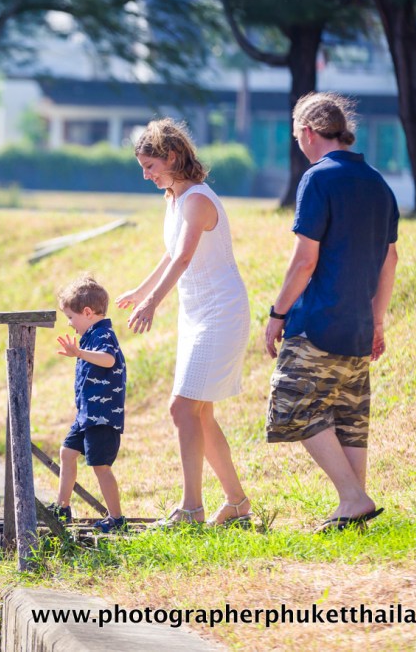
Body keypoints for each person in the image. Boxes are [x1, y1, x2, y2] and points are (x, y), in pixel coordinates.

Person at [264, 92, 399, 533]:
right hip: (359, 327)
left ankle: (354, 498)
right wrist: (377, 321)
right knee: (348, 418)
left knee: (291, 404)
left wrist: (277, 313)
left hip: (318, 322)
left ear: (307, 132)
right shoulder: (378, 182)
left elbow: (305, 260)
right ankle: (353, 513)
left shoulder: (318, 178)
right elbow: (390, 260)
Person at [117, 118, 254, 529]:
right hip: (196, 312)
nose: (146, 175)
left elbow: (184, 258)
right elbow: (169, 253)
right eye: (143, 167)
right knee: (200, 413)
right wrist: (141, 291)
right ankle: (236, 503)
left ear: (172, 157)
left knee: (181, 408)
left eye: (150, 166)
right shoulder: (174, 198)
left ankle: (191, 507)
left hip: (221, 312)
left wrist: (154, 303)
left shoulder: (196, 200)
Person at [51, 275, 128, 533]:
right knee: (67, 452)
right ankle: (62, 508)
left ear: (87, 312)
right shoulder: (91, 335)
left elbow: (108, 360)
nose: (71, 324)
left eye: (71, 318)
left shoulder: (104, 334)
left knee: (100, 466)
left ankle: (116, 518)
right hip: (87, 415)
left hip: (103, 416)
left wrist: (80, 353)